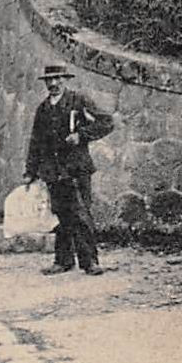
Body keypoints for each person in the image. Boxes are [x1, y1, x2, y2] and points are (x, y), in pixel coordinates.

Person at [23, 63, 115, 276]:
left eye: (58, 79)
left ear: (65, 79)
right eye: (50, 80)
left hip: (77, 169)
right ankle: (63, 261)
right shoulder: (43, 109)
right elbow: (35, 142)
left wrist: (81, 135)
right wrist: (30, 171)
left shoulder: (78, 101)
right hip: (54, 172)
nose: (54, 83)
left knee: (81, 214)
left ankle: (90, 261)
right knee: (61, 215)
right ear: (45, 82)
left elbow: (106, 122)